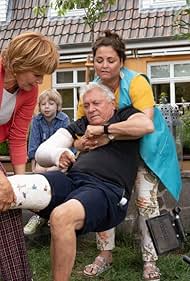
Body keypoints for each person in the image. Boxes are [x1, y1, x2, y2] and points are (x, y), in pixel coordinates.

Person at [0, 83, 154, 281]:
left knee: (61, 217)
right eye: (87, 105)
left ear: (112, 103)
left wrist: (104, 130)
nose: (91, 109)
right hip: (71, 181)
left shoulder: (124, 114)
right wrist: (59, 154)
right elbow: (41, 152)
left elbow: (146, 125)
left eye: (96, 103)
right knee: (9, 188)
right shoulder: (82, 125)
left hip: (106, 189)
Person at [76, 30, 182, 280]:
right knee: (105, 196)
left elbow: (144, 123)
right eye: (99, 60)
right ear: (93, 61)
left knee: (146, 201)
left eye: (110, 60)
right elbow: (81, 124)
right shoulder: (91, 90)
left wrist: (106, 133)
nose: (104, 65)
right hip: (112, 154)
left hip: (146, 148)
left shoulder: (137, 82)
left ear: (121, 61)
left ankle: (150, 260)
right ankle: (105, 255)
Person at [0, 31, 59, 281]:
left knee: (8, 202)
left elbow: (18, 135)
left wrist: (18, 188)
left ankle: (17, 276)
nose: (39, 82)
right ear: (21, 63)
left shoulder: (29, 91)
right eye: (37, 74)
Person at [24, 88, 70, 236]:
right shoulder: (36, 121)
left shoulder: (64, 120)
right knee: (38, 176)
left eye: (51, 103)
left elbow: (67, 145)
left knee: (54, 177)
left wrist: (57, 165)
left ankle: (52, 214)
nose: (47, 107)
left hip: (59, 159)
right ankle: (40, 215)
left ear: (57, 106)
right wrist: (34, 163)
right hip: (41, 160)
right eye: (43, 104)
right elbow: (33, 144)